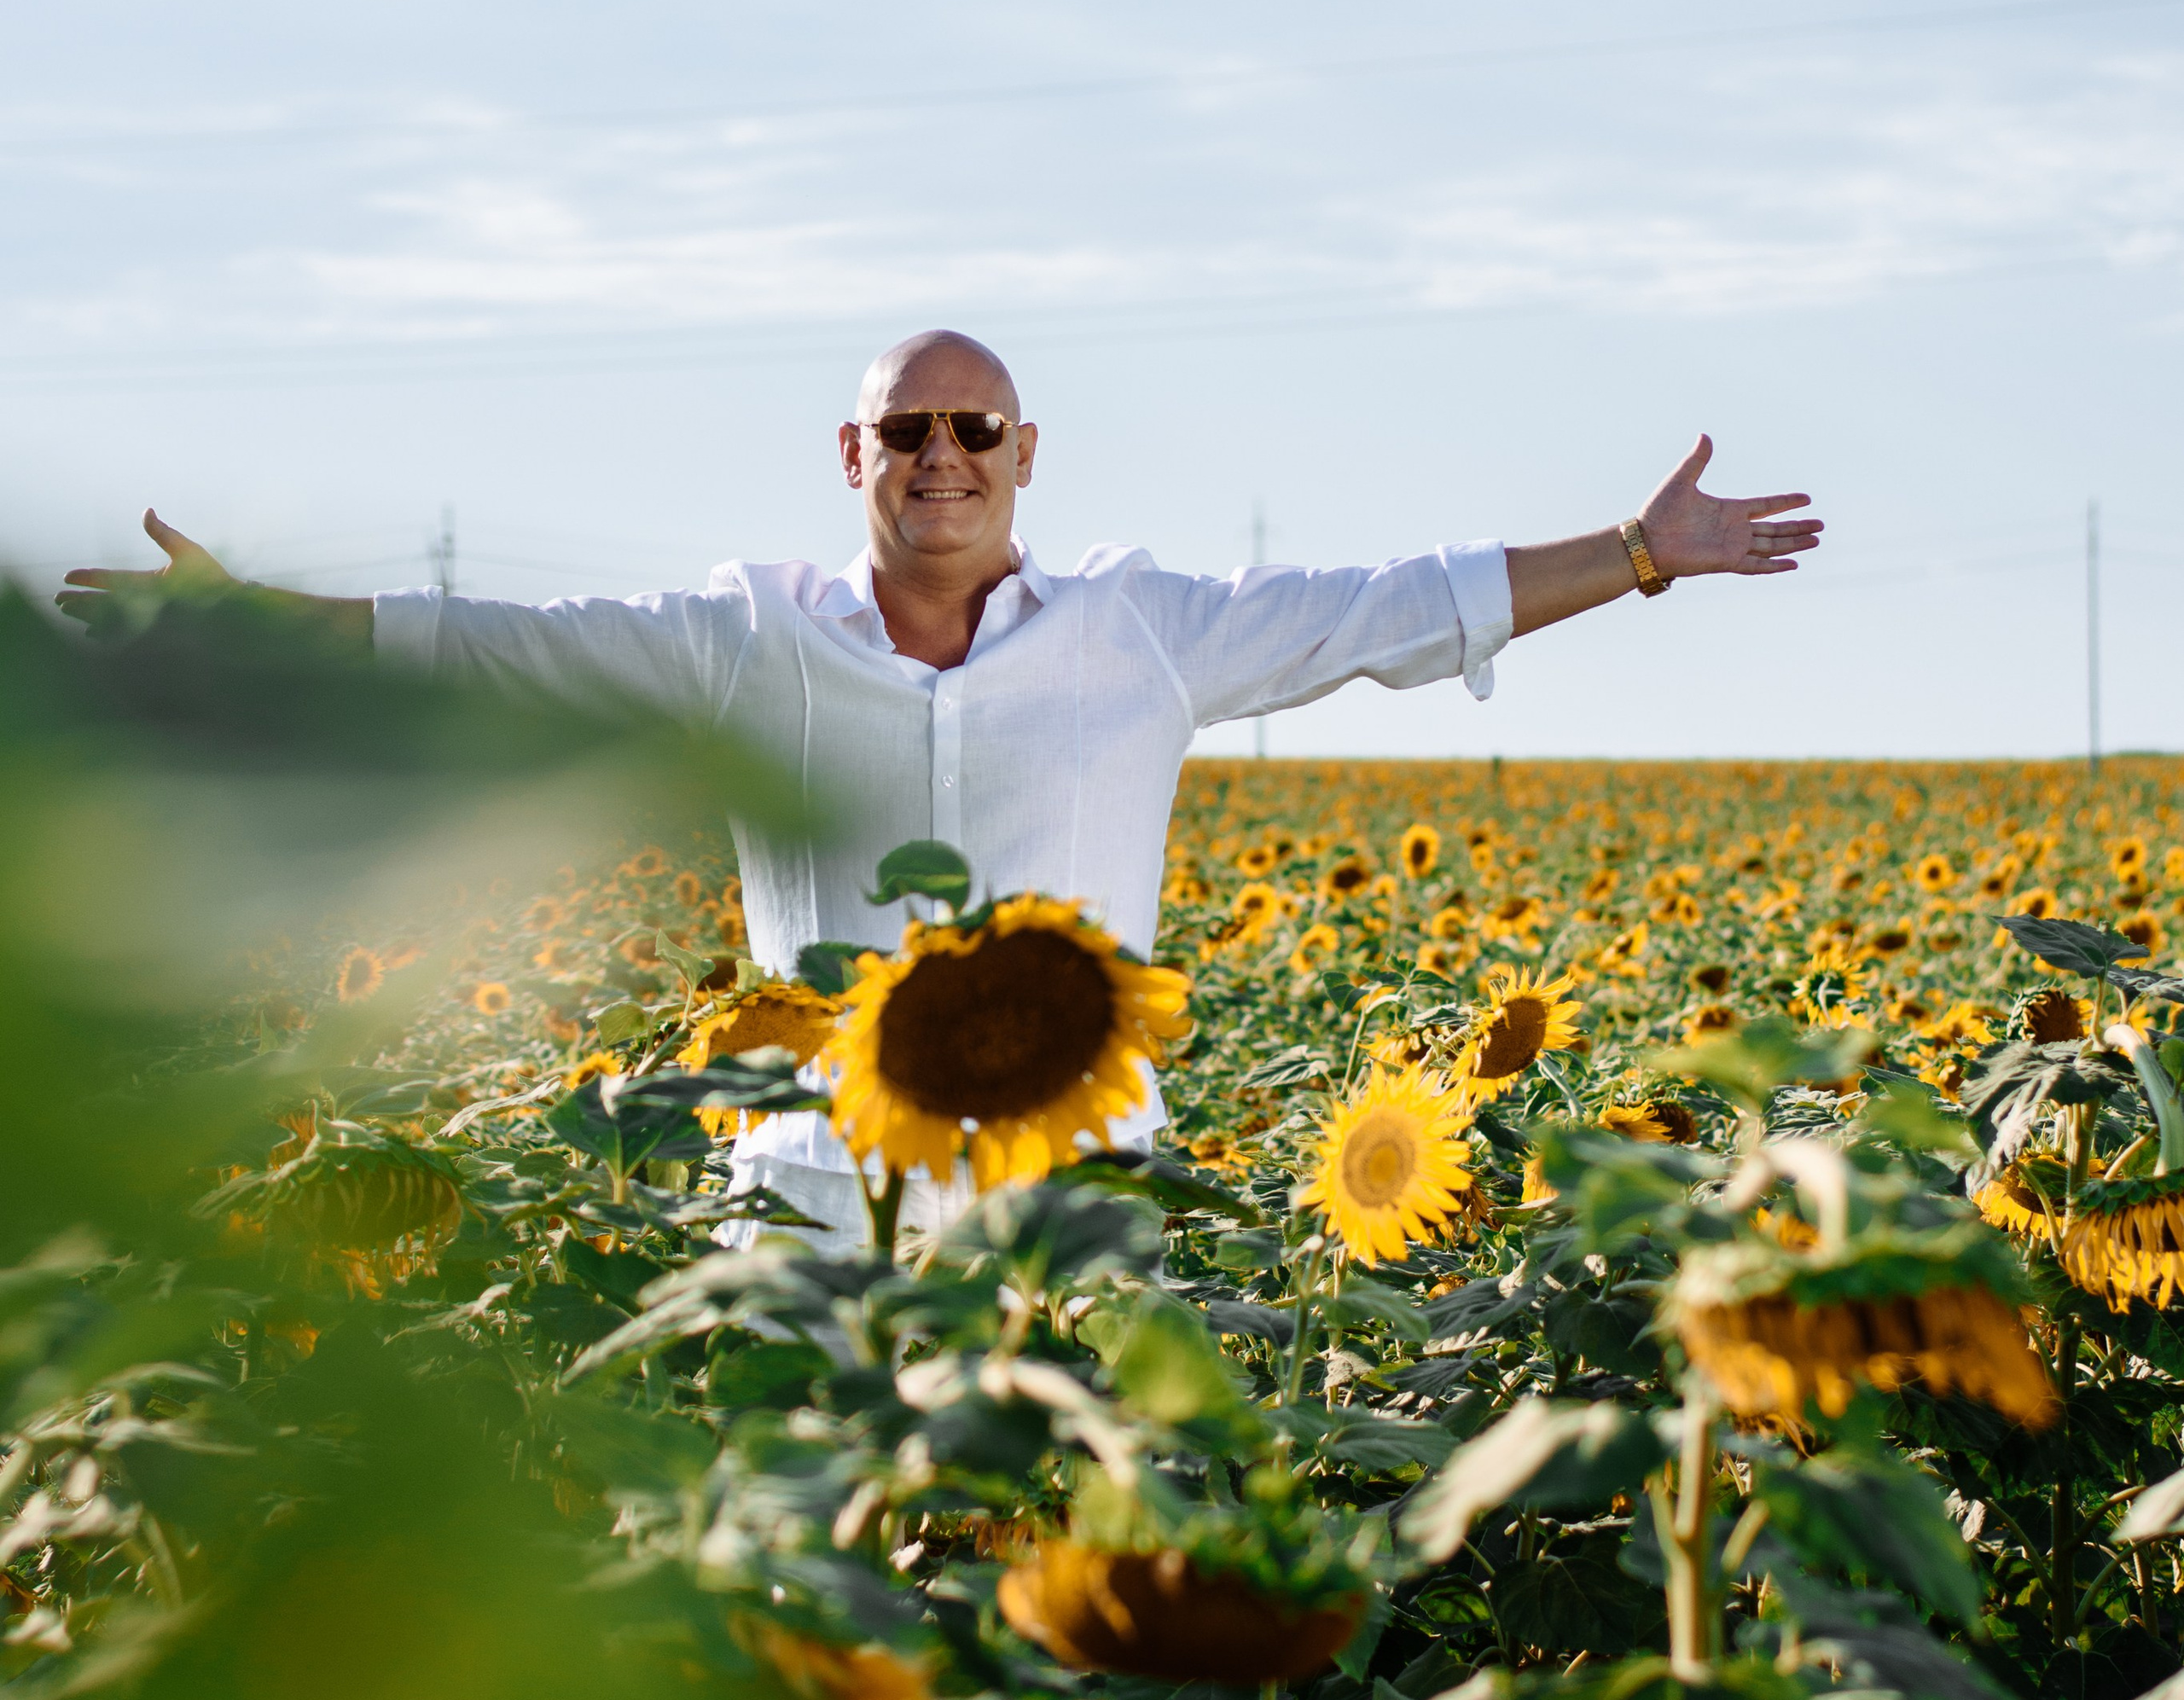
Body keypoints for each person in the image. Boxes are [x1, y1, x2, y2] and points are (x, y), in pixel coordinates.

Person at [59, 328, 1822, 1244]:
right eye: (906, 430)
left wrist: (1634, 552)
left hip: (1069, 1217)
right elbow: (500, 645)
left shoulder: (1144, 632)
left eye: (974, 428)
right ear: (854, 459)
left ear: (1024, 456)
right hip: (813, 1214)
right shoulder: (746, 638)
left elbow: (1398, 610)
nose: (941, 457)